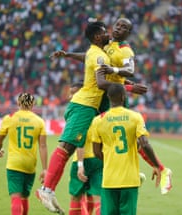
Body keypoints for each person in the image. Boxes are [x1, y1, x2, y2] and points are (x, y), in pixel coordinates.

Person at [51, 17, 172, 194]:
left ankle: (161, 169)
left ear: (128, 33)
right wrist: (69, 55)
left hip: (116, 96)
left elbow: (130, 70)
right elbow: (89, 57)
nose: (119, 29)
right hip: (105, 97)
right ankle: (132, 172)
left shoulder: (125, 50)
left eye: (124, 27)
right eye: (117, 25)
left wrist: (117, 74)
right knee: (106, 139)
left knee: (127, 137)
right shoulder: (107, 45)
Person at [35, 21, 111, 214]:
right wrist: (124, 85)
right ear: (96, 37)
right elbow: (102, 83)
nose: (108, 33)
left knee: (68, 149)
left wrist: (68, 54)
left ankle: (48, 190)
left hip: (84, 105)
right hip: (84, 105)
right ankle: (46, 189)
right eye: (104, 32)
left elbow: (85, 57)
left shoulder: (94, 52)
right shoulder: (100, 55)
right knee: (66, 146)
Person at [92, 83, 162, 214]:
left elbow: (96, 151)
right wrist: (156, 165)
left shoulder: (98, 120)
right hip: (130, 180)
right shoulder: (135, 117)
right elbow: (145, 144)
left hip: (109, 179)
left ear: (108, 97)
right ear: (124, 97)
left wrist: (109, 161)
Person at [0, 92, 48, 215]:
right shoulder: (39, 121)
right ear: (33, 104)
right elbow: (43, 146)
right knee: (24, 197)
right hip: (30, 165)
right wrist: (45, 169)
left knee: (16, 197)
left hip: (14, 164)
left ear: (18, 103)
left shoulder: (10, 118)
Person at [67, 81, 102, 215]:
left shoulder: (78, 114)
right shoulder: (98, 112)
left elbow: (79, 140)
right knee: (97, 197)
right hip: (99, 159)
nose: (71, 97)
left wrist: (80, 163)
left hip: (82, 159)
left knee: (76, 196)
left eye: (73, 93)